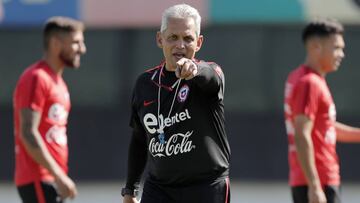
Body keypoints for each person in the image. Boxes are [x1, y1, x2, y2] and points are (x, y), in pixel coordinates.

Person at [122, 4, 231, 203]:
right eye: (173, 37)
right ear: (159, 39)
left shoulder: (210, 73)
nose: (180, 45)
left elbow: (211, 77)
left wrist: (194, 70)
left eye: (187, 38)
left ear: (198, 42)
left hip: (206, 187)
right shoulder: (144, 83)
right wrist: (130, 189)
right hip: (160, 189)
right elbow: (139, 139)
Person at [284, 18, 360, 203]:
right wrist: (315, 186)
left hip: (316, 180)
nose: (341, 54)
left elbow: (325, 127)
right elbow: (302, 133)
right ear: (316, 47)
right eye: (336, 48)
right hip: (319, 181)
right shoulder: (310, 83)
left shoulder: (302, 78)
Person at [13, 16, 86, 203]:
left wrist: (59, 176)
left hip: (51, 179)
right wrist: (58, 175)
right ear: (56, 43)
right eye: (76, 43)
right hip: (39, 178)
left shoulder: (59, 83)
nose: (82, 49)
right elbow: (28, 132)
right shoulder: (37, 77)